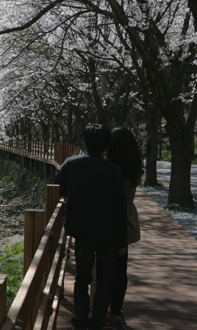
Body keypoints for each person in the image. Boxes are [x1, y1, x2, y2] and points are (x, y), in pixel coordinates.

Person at [54, 123, 128, 330]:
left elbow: (56, 187)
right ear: (106, 145)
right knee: (105, 279)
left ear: (84, 143)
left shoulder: (71, 164)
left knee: (82, 277)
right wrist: (123, 240)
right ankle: (97, 322)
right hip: (109, 233)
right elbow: (120, 208)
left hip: (82, 230)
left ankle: (79, 320)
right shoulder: (113, 171)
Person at [103, 127, 144, 330]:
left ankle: (102, 311)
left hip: (108, 224)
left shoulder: (109, 169)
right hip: (127, 223)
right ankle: (116, 313)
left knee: (104, 270)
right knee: (121, 271)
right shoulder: (134, 169)